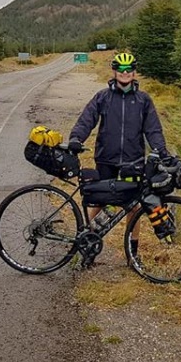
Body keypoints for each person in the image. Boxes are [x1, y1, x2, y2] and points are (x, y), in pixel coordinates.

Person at [68, 51, 169, 265]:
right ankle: (88, 246)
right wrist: (76, 138)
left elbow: (153, 130)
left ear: (134, 72)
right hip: (106, 158)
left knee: (133, 207)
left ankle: (132, 255)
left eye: (129, 70)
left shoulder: (143, 100)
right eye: (121, 70)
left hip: (133, 162)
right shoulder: (103, 97)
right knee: (99, 201)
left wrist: (162, 151)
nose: (125, 73)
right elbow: (87, 119)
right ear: (114, 71)